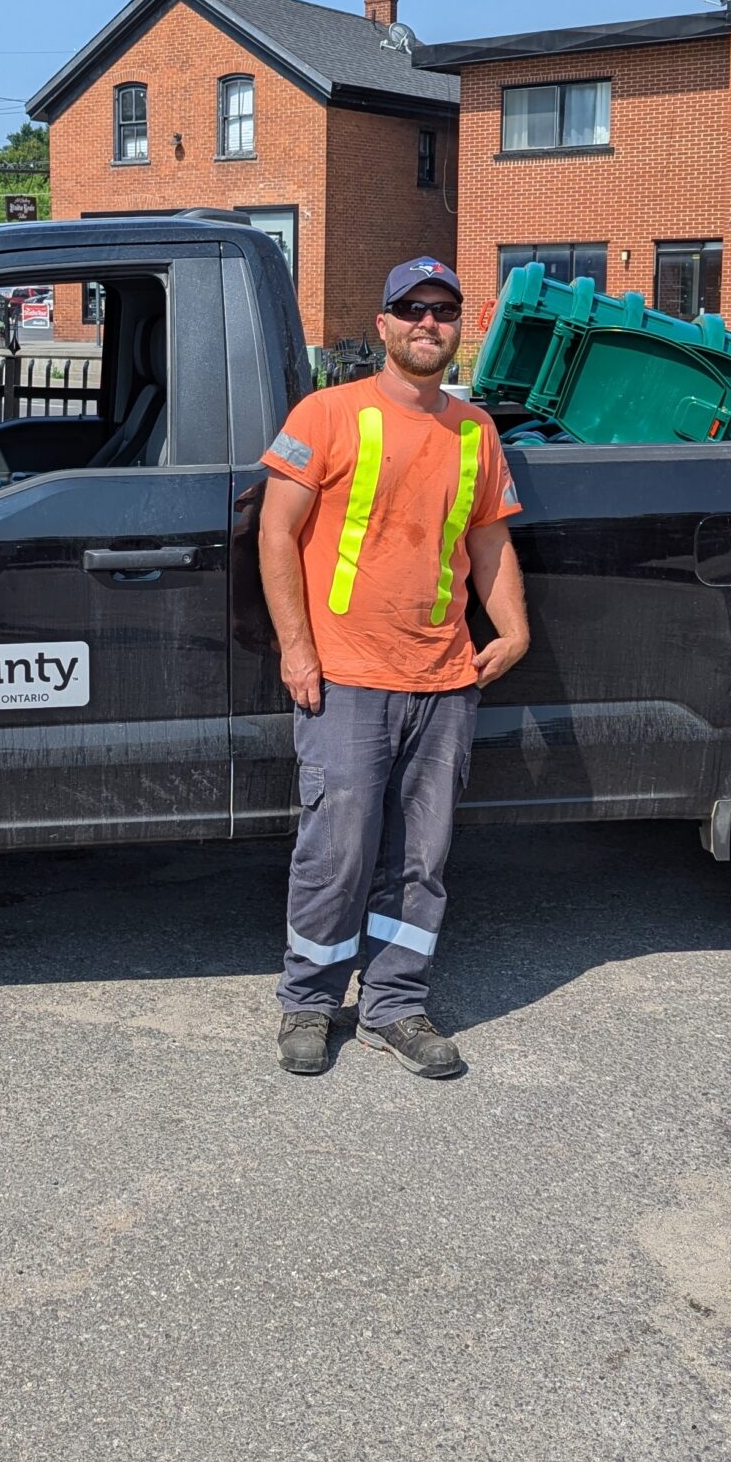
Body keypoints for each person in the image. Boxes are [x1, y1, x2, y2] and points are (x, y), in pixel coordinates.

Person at [257, 257, 531, 1078]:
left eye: (443, 310)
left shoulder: (475, 429)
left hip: (444, 679)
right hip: (344, 676)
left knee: (421, 857)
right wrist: (297, 650)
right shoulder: (327, 413)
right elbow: (275, 533)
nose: (428, 322)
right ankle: (308, 1003)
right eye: (411, 308)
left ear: (459, 328)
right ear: (382, 324)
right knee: (336, 849)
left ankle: (395, 1005)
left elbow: (489, 540)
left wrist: (513, 630)